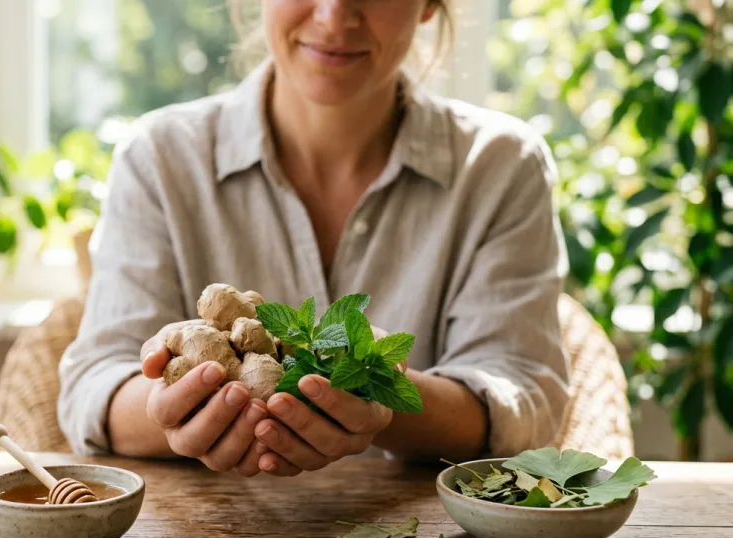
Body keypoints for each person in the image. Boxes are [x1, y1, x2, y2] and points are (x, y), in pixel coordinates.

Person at [57, 0, 570, 477]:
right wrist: (184, 406)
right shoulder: (160, 158)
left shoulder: (501, 166)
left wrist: (377, 398)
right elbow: (95, 386)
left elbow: (523, 398)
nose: (333, 16)